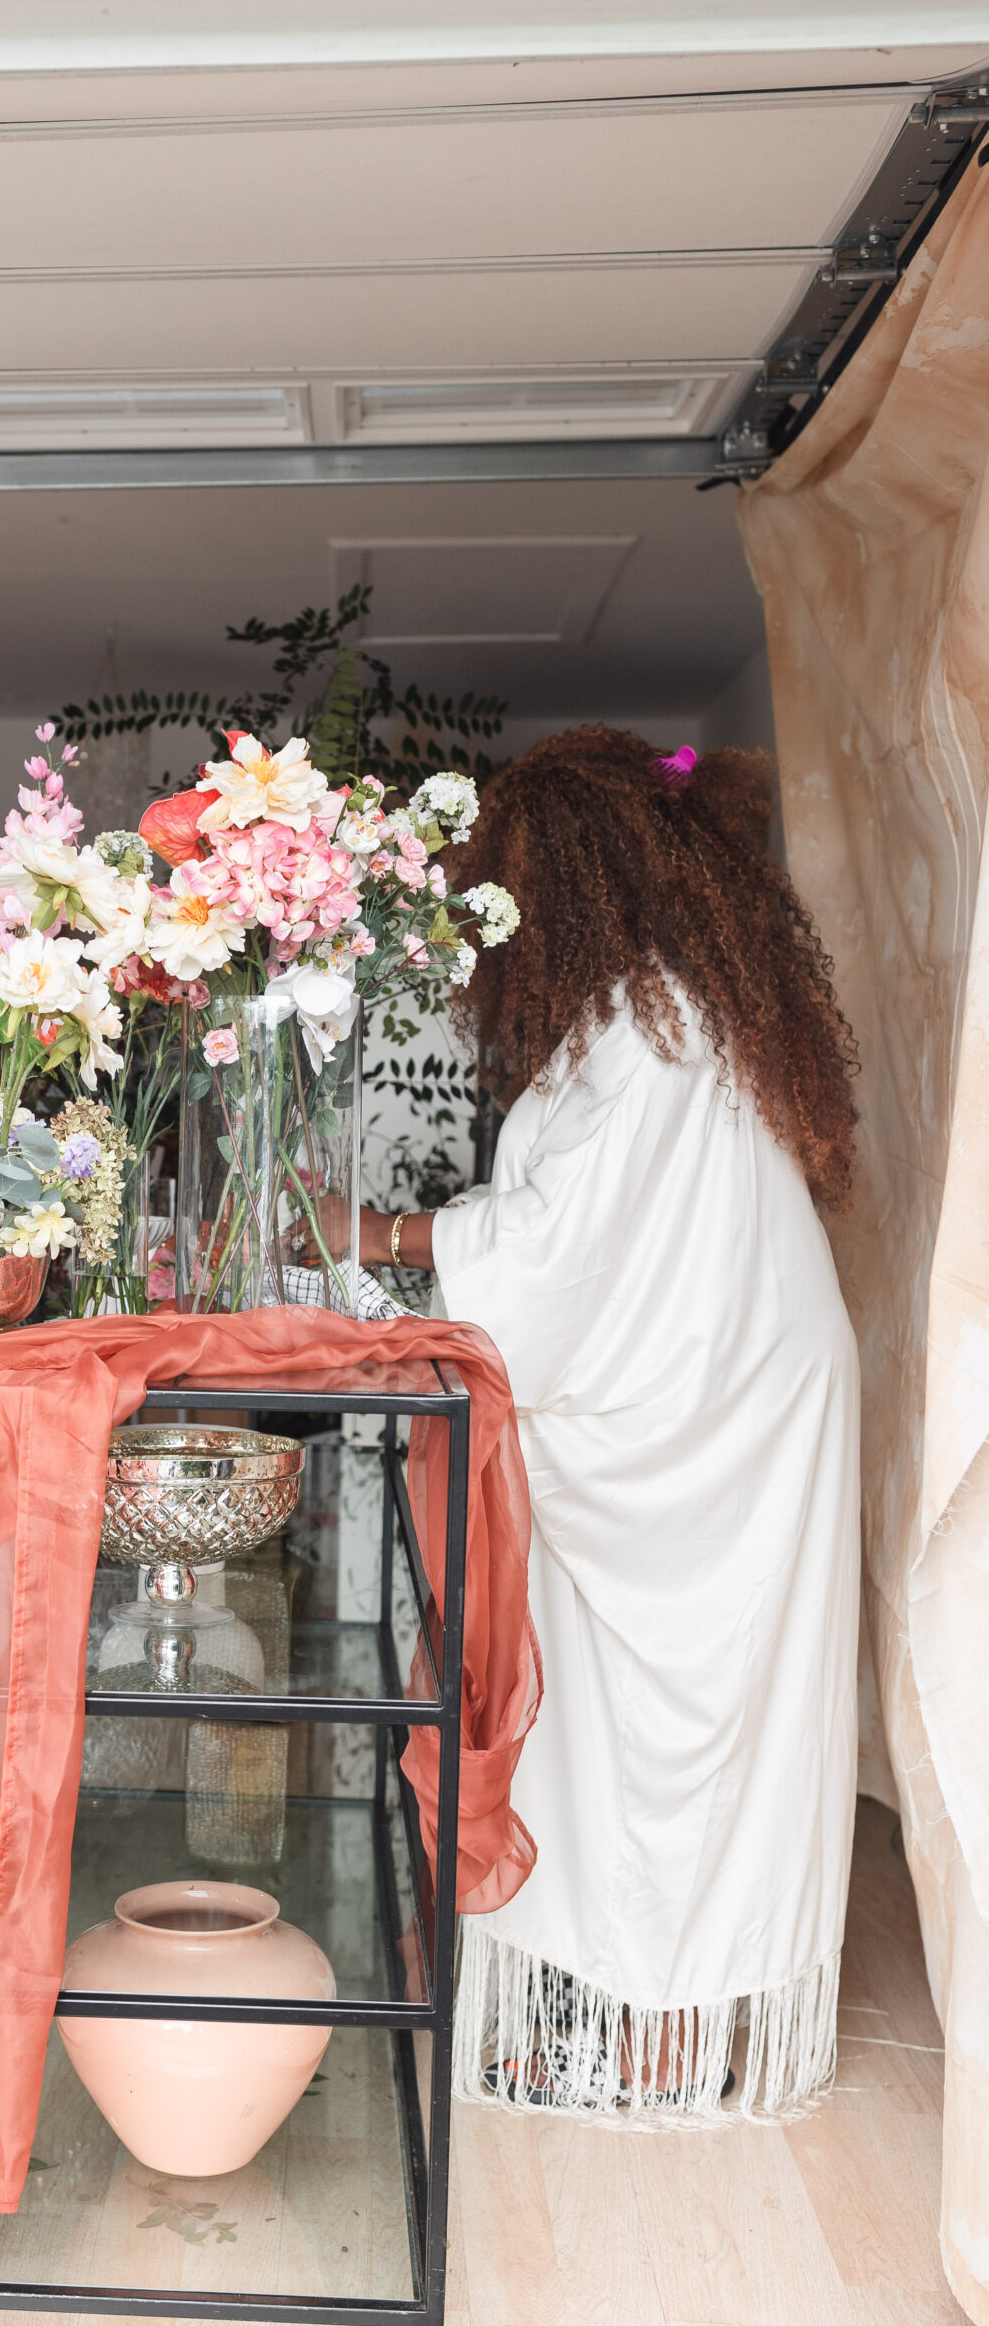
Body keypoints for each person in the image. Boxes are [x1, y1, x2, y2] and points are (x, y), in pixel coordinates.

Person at [363, 727, 860, 2117]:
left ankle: (672, 2039)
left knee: (687, 1728)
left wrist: (380, 1229)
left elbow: (555, 1253)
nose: (495, 920)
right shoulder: (654, 1003)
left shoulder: (652, 1021)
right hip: (699, 1397)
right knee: (612, 1723)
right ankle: (624, 2003)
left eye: (507, 886)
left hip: (717, 1423)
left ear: (578, 879)